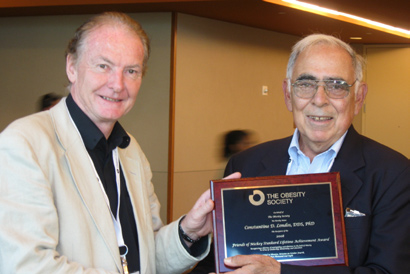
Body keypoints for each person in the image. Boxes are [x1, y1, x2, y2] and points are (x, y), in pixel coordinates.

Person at [0, 12, 239, 274]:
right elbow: (25, 265)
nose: (117, 85)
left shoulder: (130, 150)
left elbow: (147, 257)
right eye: (103, 66)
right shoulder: (24, 144)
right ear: (71, 66)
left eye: (131, 71)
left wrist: (188, 231)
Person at [191, 34, 410, 273]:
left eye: (336, 86)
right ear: (287, 93)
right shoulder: (245, 165)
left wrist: (281, 272)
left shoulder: (394, 174)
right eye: (306, 84)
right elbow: (217, 262)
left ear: (358, 98)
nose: (319, 99)